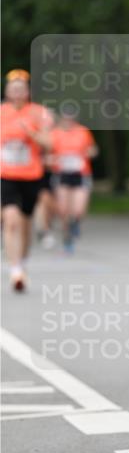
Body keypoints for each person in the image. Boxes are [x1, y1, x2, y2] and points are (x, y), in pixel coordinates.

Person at [0, 69, 53, 290]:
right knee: (10, 220)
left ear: (28, 92)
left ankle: (22, 262)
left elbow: (50, 144)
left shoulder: (39, 113)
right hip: (6, 175)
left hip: (31, 176)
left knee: (25, 223)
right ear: (7, 91)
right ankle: (15, 271)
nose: (17, 92)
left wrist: (31, 134)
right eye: (13, 89)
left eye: (21, 89)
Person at [50, 109, 98, 252]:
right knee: (63, 210)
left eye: (71, 118)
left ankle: (76, 222)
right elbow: (46, 153)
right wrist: (52, 159)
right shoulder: (55, 133)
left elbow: (93, 149)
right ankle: (67, 236)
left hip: (81, 174)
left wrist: (90, 153)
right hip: (62, 174)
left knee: (78, 209)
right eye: (66, 118)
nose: (69, 121)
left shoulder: (83, 132)